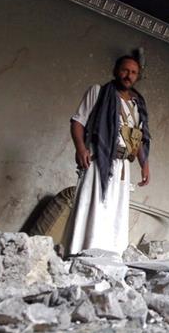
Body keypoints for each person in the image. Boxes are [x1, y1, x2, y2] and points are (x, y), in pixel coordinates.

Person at [64, 55, 151, 255]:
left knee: (115, 213)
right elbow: (77, 122)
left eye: (134, 72)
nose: (128, 76)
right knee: (93, 208)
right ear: (115, 70)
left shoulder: (138, 104)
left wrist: (144, 164)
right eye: (125, 70)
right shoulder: (98, 92)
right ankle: (80, 255)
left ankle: (111, 260)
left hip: (123, 166)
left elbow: (136, 138)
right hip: (98, 161)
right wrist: (80, 148)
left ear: (137, 77)